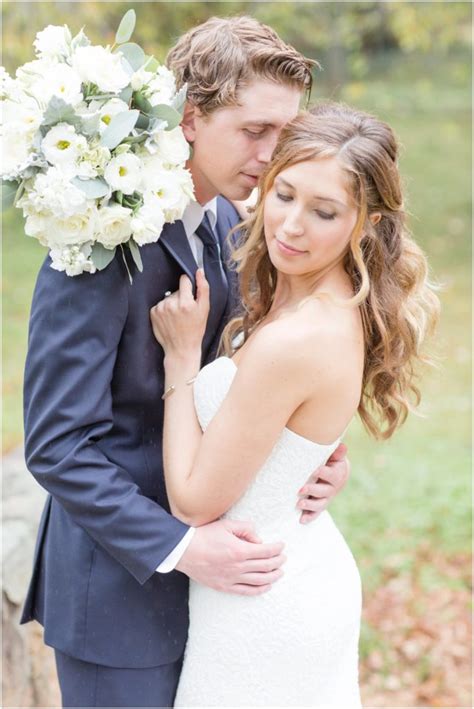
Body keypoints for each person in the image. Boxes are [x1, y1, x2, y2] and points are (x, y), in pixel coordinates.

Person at [20, 17, 350, 709]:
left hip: (224, 604)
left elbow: (243, 382)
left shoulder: (230, 222)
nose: (271, 154)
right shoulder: (99, 240)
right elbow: (56, 445)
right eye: (253, 130)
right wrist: (181, 546)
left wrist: (307, 455)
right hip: (119, 598)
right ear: (190, 118)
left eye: (283, 134)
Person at [150, 101, 440, 707]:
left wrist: (180, 361)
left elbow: (195, 500)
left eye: (324, 212)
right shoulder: (322, 294)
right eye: (283, 195)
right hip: (281, 572)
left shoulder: (298, 336)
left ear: (365, 223)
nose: (290, 226)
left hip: (265, 602)